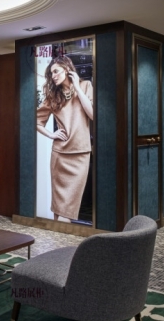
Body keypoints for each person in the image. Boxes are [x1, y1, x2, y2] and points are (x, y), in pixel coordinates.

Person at [36, 55, 93, 222]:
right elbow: (36, 121)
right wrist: (51, 134)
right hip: (60, 155)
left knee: (67, 208)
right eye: (51, 73)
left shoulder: (85, 85)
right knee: (59, 209)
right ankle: (60, 244)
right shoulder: (53, 96)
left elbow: (92, 114)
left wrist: (77, 87)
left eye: (56, 71)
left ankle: (64, 244)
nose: (53, 76)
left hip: (81, 153)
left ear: (67, 70)